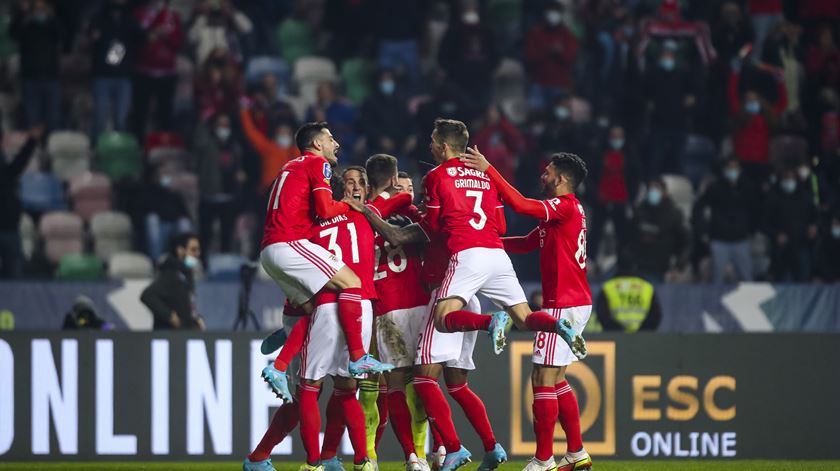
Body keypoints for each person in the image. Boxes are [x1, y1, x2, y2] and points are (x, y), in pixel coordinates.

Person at [460, 149, 593, 471]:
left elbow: (520, 204)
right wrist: (488, 242)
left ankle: (543, 459)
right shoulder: (563, 213)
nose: (542, 176)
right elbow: (527, 242)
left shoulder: (562, 206)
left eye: (547, 172)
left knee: (541, 380)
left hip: (562, 306)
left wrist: (489, 169)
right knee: (557, 378)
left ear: (561, 179)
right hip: (574, 302)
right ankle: (576, 452)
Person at [258, 122, 392, 404]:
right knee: (351, 282)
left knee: (314, 310)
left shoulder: (288, 167)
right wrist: (349, 205)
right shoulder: (317, 165)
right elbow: (325, 208)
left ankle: (279, 364)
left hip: (270, 250)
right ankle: (358, 357)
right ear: (317, 144)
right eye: (331, 139)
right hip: (290, 243)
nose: (336, 144)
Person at [692, 158, 760, 283]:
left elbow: (756, 210)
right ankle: (713, 302)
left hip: (741, 240)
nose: (732, 171)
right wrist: (704, 230)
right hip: (719, 240)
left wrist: (752, 230)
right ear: (724, 170)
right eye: (730, 168)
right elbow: (698, 207)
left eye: (735, 168)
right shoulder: (715, 188)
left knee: (747, 278)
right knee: (717, 279)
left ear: (740, 170)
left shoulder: (748, 187)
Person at [88, 0, 142, 137]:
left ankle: (119, 151)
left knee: (121, 120)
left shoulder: (130, 20)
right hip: (102, 75)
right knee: (100, 119)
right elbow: (90, 38)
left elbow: (142, 38)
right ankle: (97, 151)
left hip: (123, 76)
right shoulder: (98, 18)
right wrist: (94, 37)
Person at [194, 111, 246, 254]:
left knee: (226, 236)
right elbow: (199, 141)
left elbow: (239, 167)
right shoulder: (207, 144)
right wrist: (202, 123)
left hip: (228, 197)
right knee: (205, 235)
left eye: (226, 125)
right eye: (220, 125)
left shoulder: (235, 147)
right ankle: (203, 263)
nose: (224, 128)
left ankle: (224, 264)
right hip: (209, 196)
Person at [132, 0, 184, 138]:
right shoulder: (139, 14)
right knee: (140, 113)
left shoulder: (173, 16)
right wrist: (151, 32)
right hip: (143, 71)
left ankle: (163, 144)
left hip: (166, 72)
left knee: (165, 113)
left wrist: (164, 34)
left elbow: (178, 42)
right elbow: (133, 40)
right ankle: (139, 145)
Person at [10, 0, 63, 132]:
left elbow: (63, 36)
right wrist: (22, 13)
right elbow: (13, 33)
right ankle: (34, 149)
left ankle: (50, 147)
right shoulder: (26, 25)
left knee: (52, 118)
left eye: (42, 8)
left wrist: (51, 17)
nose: (39, 12)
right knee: (33, 119)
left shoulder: (52, 25)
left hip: (51, 78)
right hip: (30, 78)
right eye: (36, 9)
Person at [0, 125, 42, 278]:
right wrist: (31, 142)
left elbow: (16, 167)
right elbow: (16, 167)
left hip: (10, 228)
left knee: (14, 278)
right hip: (9, 227)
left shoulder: (5, 166)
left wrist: (31, 142)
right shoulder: (4, 168)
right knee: (13, 277)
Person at [140, 232, 205, 330]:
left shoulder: (186, 274)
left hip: (183, 334)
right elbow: (148, 295)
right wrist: (170, 316)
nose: (197, 254)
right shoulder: (170, 273)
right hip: (168, 335)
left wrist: (196, 318)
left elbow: (187, 304)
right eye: (193, 250)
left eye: (198, 250)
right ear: (180, 250)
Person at [628, 179, 689, 282]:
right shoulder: (639, 211)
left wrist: (679, 265)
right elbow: (628, 237)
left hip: (661, 269)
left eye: (656, 188)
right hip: (638, 267)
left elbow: (685, 241)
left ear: (664, 192)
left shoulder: (673, 214)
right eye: (651, 189)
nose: (653, 192)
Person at [762, 169, 818, 281]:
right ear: (781, 180)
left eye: (792, 178)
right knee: (782, 282)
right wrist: (775, 234)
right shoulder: (773, 198)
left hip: (801, 245)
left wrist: (813, 227)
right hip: (781, 249)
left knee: (803, 280)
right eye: (786, 178)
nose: (789, 181)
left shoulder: (805, 197)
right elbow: (763, 223)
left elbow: (815, 216)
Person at [524, 2, 579, 109]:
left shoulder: (567, 35)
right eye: (550, 12)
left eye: (556, 12)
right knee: (538, 116)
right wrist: (547, 50)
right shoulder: (536, 33)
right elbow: (530, 56)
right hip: (538, 83)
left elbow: (571, 57)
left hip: (559, 84)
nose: (553, 16)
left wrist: (560, 53)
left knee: (560, 116)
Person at [595, 256, 662, 332]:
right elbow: (656, 315)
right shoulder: (647, 287)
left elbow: (602, 315)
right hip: (643, 338)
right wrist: (642, 331)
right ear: (634, 266)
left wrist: (617, 331)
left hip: (616, 337)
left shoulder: (608, 287)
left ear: (617, 267)